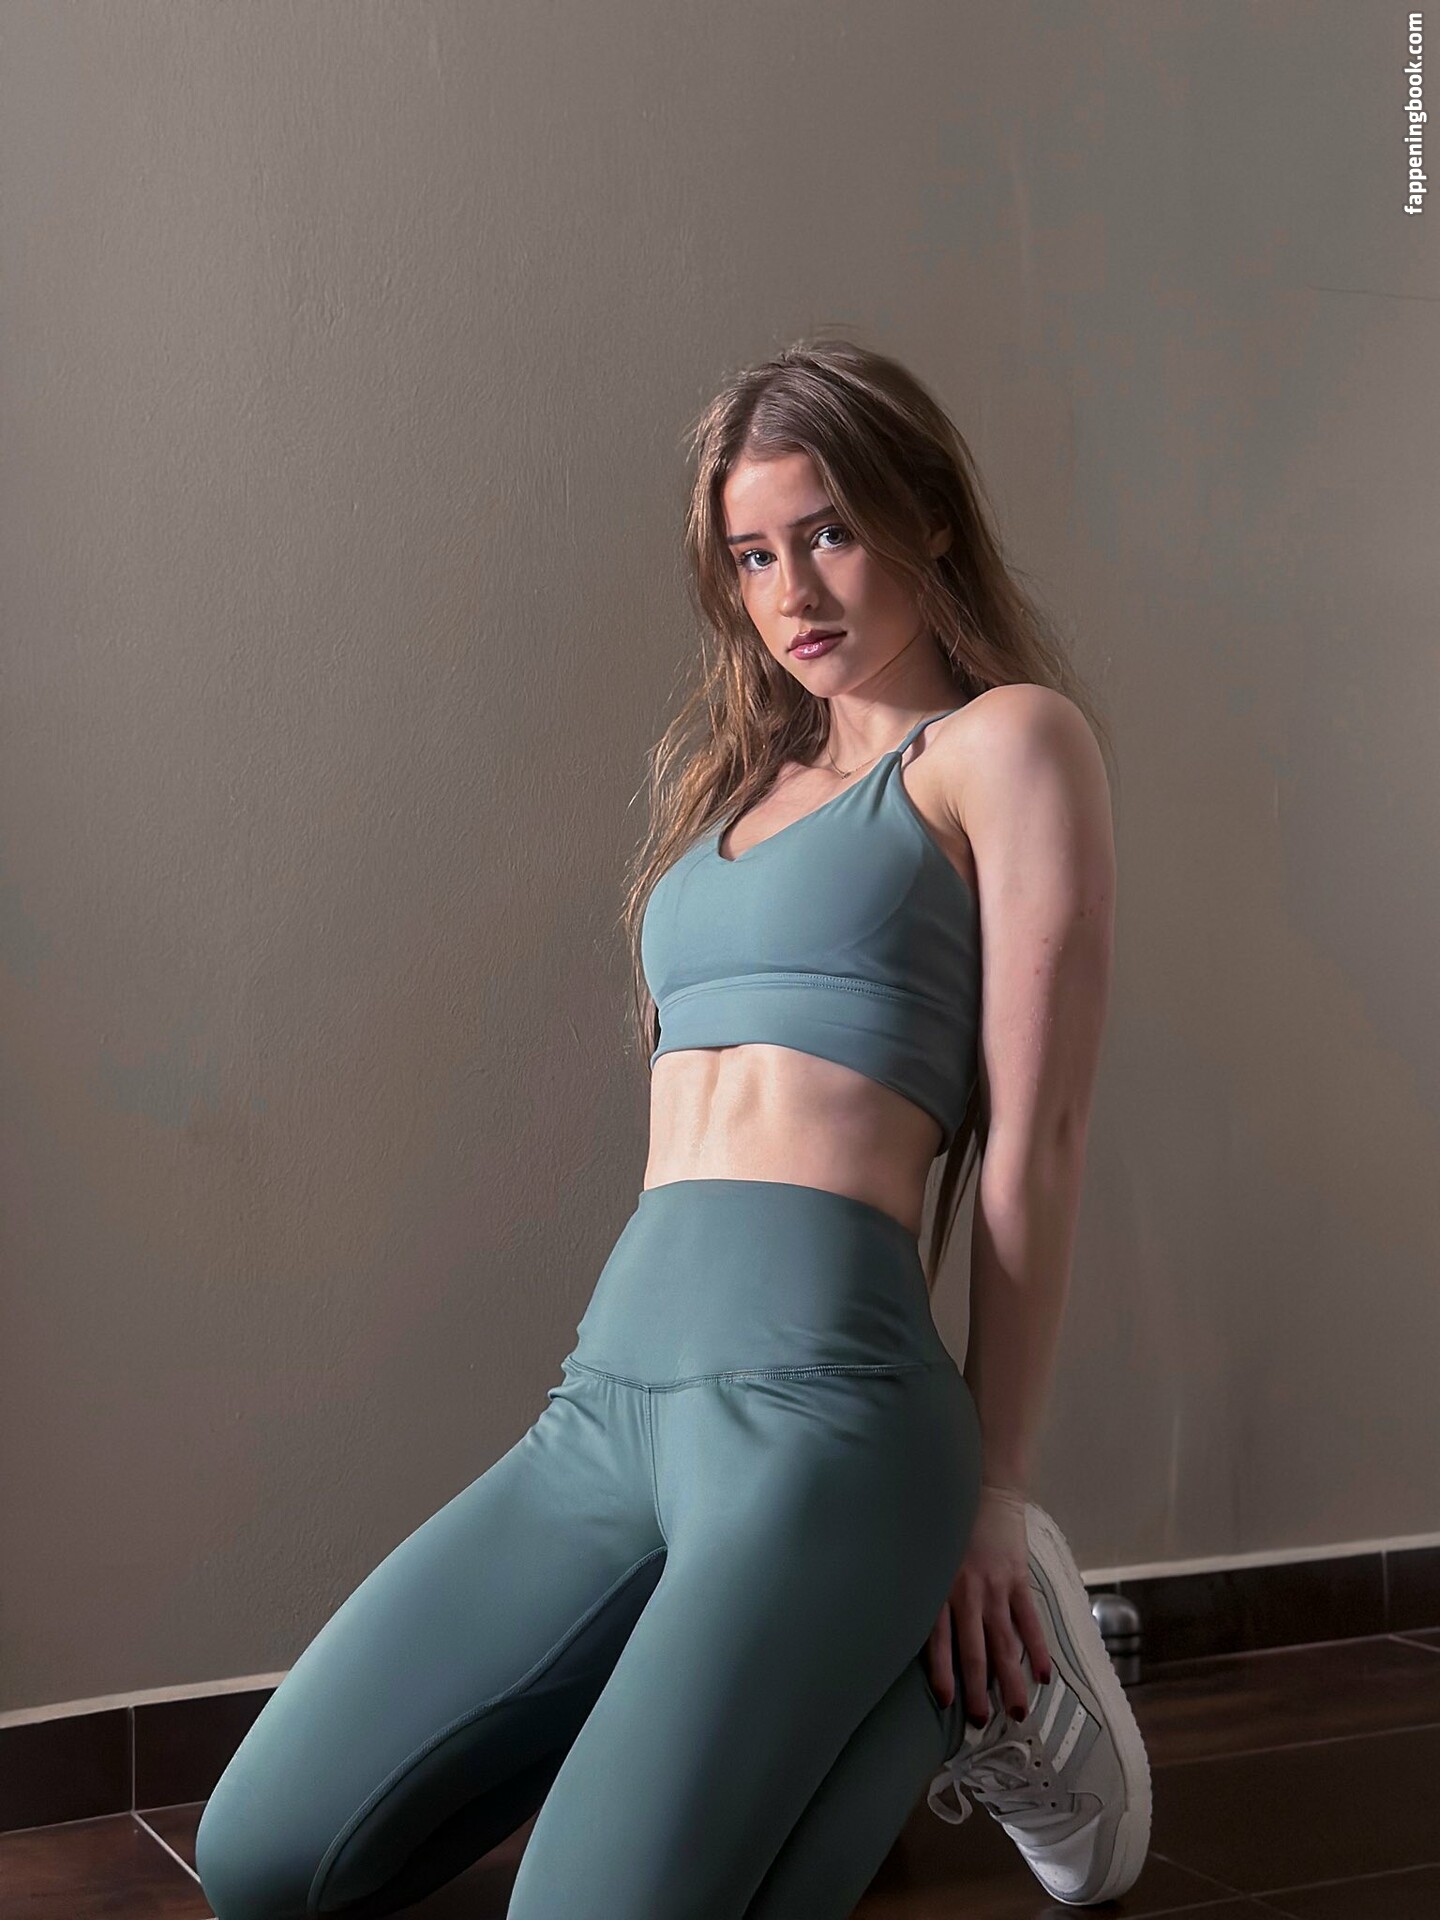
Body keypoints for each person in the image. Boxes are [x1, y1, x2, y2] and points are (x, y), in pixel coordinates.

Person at [194, 337, 1150, 1919]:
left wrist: (998, 1489)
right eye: (754, 555)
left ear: (926, 513)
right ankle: (798, 1695)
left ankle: (974, 1680)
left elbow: (1036, 1148)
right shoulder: (736, 788)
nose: (794, 591)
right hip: (606, 1408)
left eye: (829, 532)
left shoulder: (1005, 746)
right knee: (259, 1858)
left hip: (833, 1421)